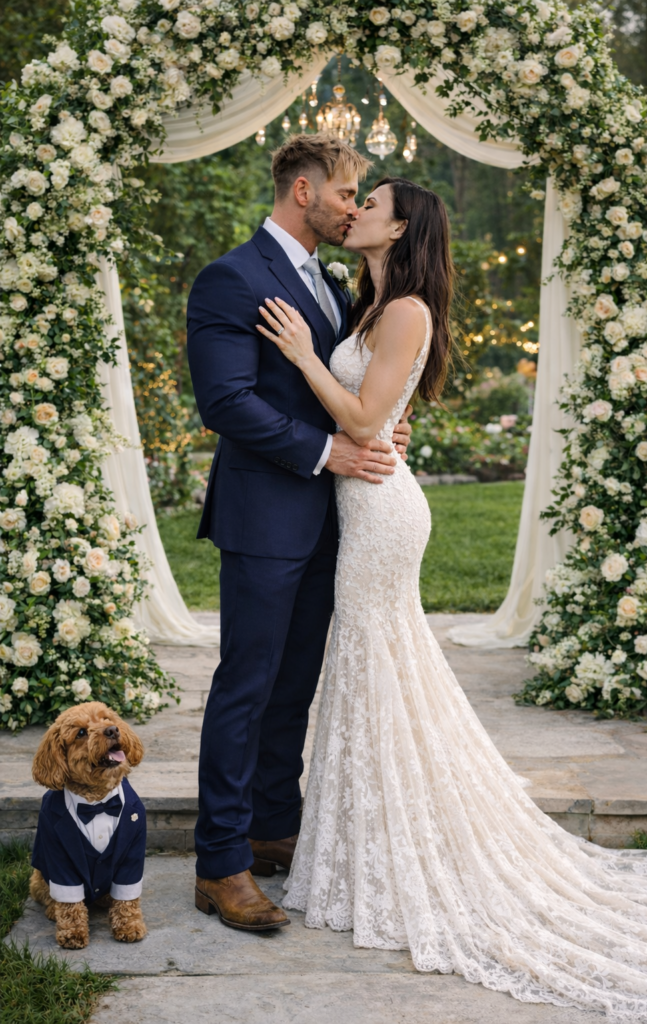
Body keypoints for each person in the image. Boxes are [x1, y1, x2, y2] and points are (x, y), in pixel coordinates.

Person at [257, 176, 647, 1020]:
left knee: (375, 668)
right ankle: (364, 848)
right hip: (370, 498)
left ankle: (399, 850)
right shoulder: (371, 305)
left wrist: (306, 357)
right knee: (372, 672)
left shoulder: (405, 306)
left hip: (378, 513)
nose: (357, 211)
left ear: (402, 224)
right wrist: (370, 399)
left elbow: (364, 422)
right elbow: (384, 409)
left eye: (371, 203)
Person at [186, 136, 412, 932]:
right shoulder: (231, 277)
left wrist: (379, 433)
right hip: (265, 515)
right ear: (304, 191)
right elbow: (227, 403)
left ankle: (272, 824)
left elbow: (348, 384)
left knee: (294, 687)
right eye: (348, 193)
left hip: (332, 519)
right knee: (247, 686)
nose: (355, 206)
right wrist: (328, 451)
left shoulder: (330, 280)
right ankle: (220, 863)